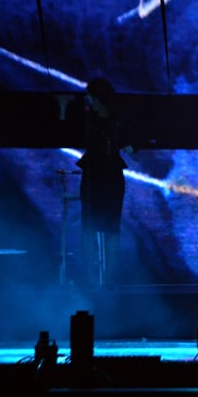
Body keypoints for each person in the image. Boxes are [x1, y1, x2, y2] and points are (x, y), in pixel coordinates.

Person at [58, 77, 134, 287]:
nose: (87, 99)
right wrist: (63, 109)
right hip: (93, 176)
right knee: (89, 227)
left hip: (111, 175)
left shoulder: (118, 117)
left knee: (111, 227)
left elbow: (131, 139)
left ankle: (111, 276)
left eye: (91, 95)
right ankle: (89, 276)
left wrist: (129, 146)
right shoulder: (87, 118)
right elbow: (68, 135)